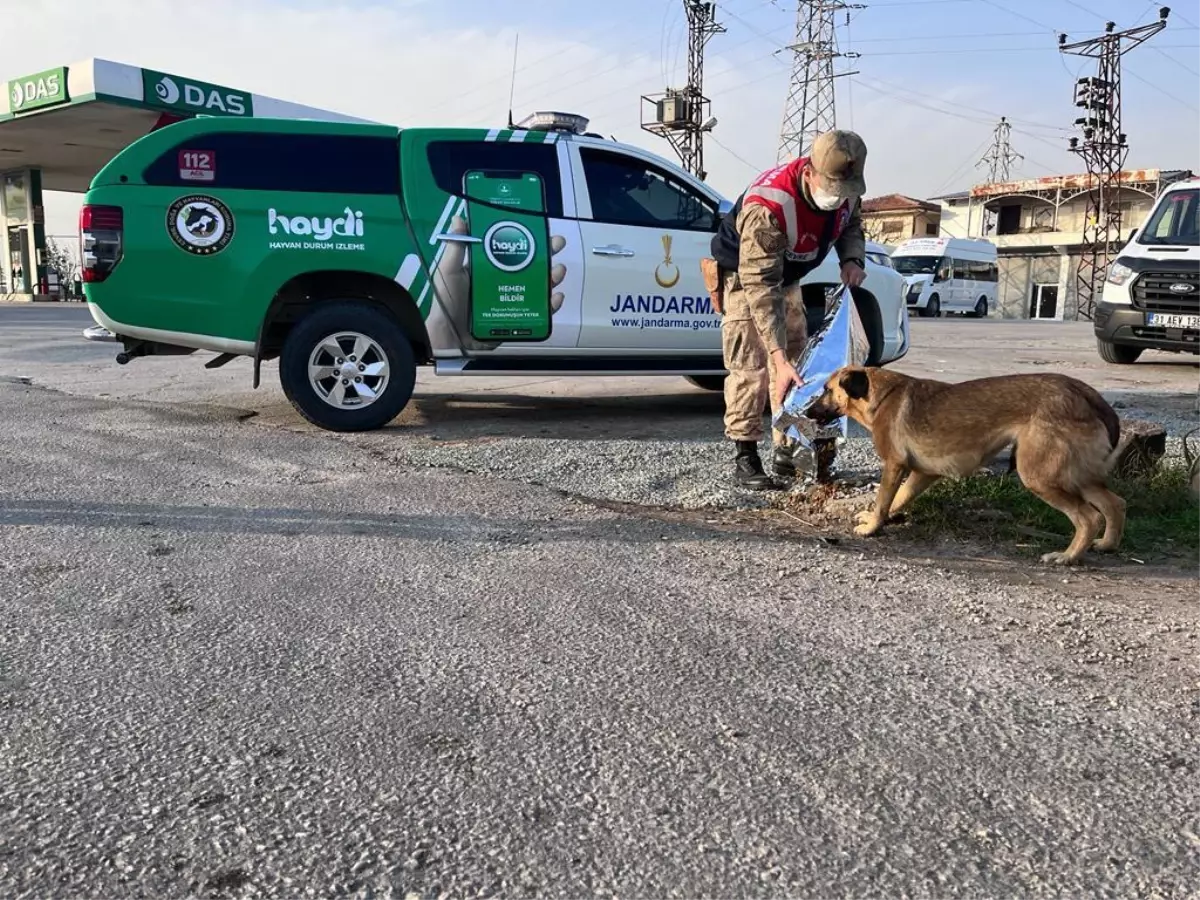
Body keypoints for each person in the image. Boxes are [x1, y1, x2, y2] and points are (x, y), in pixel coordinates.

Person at [706, 129, 868, 490]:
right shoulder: (768, 208)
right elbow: (760, 286)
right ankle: (745, 455)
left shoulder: (847, 192)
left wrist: (853, 258)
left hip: (789, 276)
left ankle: (788, 450)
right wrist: (775, 357)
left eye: (846, 191)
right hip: (746, 278)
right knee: (753, 369)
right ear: (808, 172)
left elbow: (852, 225)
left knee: (799, 366)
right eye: (832, 189)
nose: (838, 198)